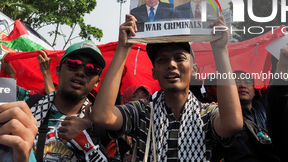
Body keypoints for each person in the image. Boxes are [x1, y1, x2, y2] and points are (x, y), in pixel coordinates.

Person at [91, 14, 243, 162]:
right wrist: (123, 48)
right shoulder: (142, 113)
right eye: (162, 60)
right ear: (154, 72)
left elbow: (232, 123)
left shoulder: (207, 114)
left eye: (179, 58)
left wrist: (220, 50)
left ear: (194, 70)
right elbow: (102, 116)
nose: (171, 64)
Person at [2, 40, 111, 161]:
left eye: (91, 69)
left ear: (97, 82)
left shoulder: (101, 126)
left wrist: (85, 142)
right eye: (73, 63)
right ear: (58, 69)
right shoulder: (28, 103)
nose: (80, 72)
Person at [213, 71, 279, 162]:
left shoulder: (264, 106)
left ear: (254, 91)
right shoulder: (219, 116)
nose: (242, 86)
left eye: (247, 82)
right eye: (236, 82)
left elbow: (277, 83)